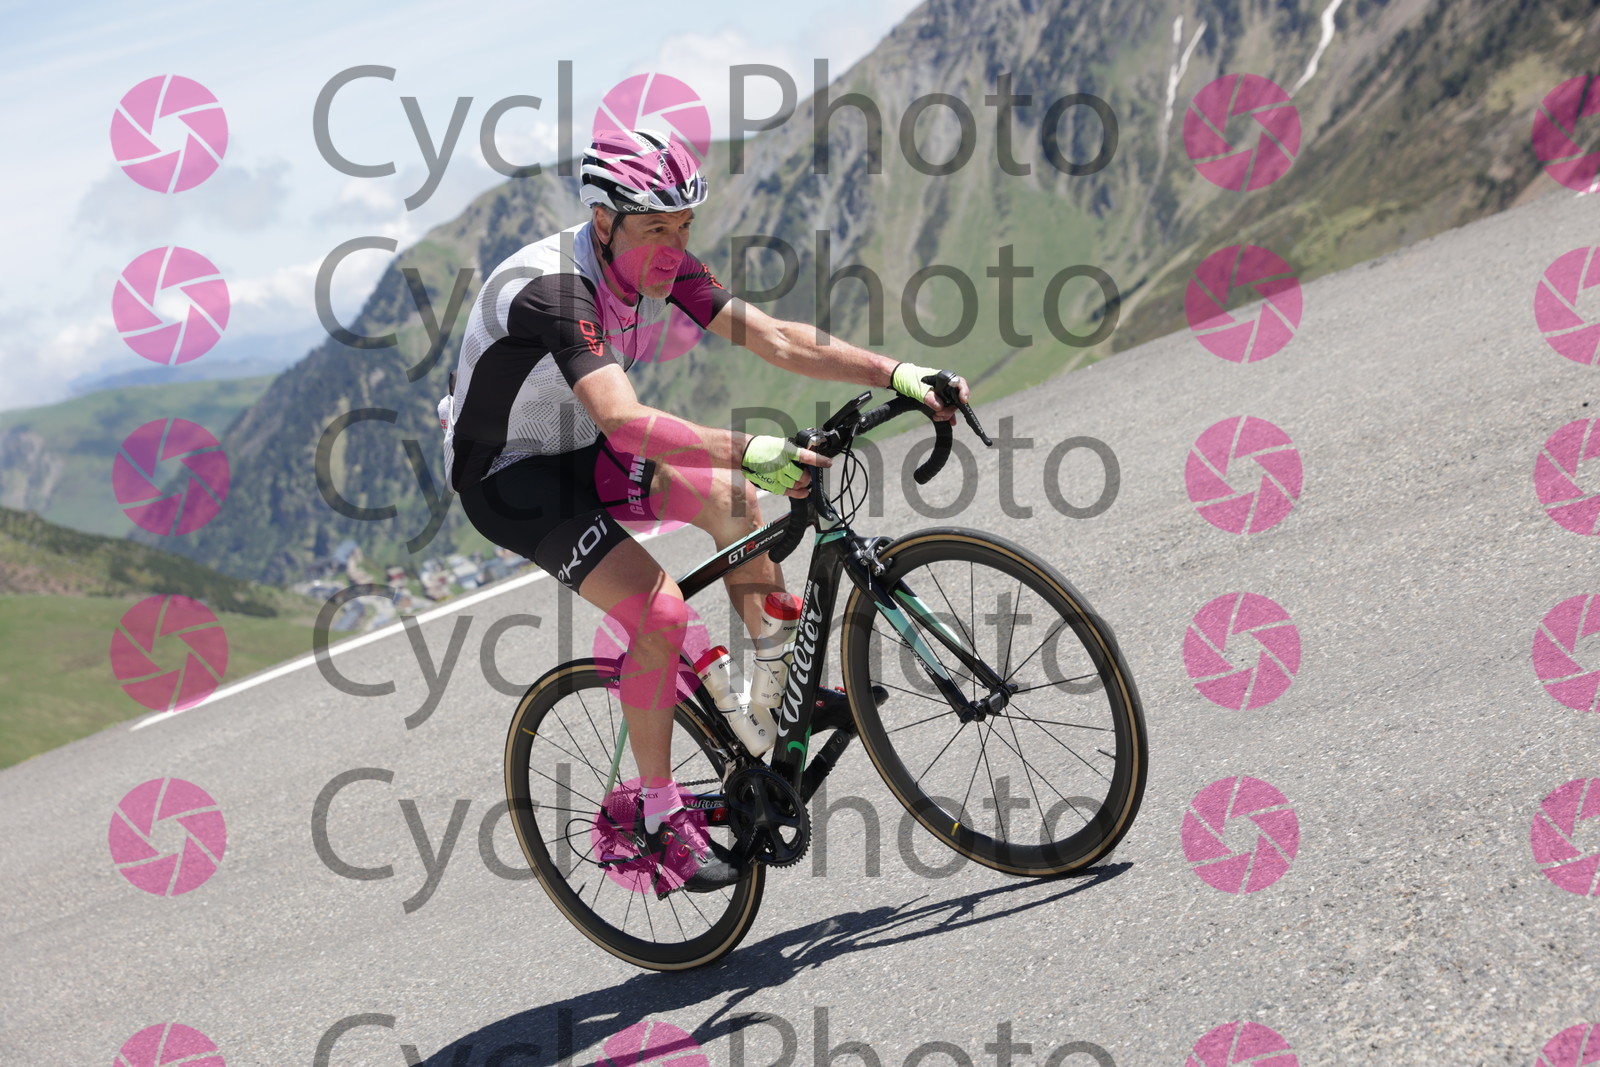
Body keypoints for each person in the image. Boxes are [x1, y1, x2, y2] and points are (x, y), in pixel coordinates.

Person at [440, 127, 970, 892]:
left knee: (733, 501)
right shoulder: (555, 291)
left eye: (685, 226)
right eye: (657, 228)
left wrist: (901, 373)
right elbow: (624, 419)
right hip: (509, 475)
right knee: (658, 614)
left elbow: (777, 338)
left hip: (581, 443)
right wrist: (752, 446)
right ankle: (658, 814)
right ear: (603, 222)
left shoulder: (656, 261)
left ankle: (775, 689)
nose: (675, 247)